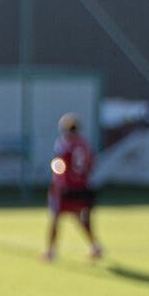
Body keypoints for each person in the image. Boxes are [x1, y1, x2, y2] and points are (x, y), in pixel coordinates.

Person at [43, 112, 103, 263]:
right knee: (81, 218)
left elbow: (59, 166)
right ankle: (95, 246)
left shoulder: (63, 144)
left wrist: (56, 180)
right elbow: (92, 164)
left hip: (66, 188)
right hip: (83, 187)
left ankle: (50, 252)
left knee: (56, 218)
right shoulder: (85, 144)